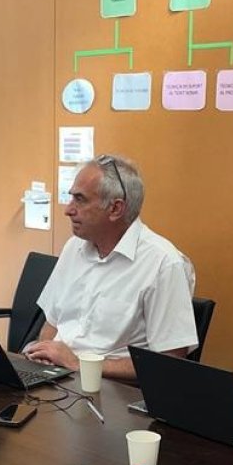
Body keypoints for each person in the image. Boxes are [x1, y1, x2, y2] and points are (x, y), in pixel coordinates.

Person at [24, 154, 198, 380]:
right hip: (58, 378)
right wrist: (44, 355)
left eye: (80, 199)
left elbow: (169, 363)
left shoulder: (163, 263)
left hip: (111, 392)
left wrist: (78, 364)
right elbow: (52, 322)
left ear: (115, 209)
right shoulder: (74, 247)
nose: (68, 210)